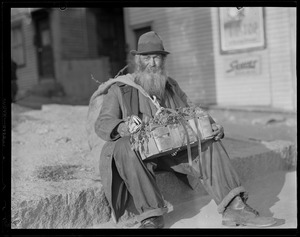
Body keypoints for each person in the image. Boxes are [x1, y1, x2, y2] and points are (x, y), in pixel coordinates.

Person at [94, 31, 276, 228]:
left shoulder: (171, 85)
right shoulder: (120, 89)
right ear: (138, 60)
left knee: (210, 142)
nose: (152, 63)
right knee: (123, 147)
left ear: (163, 60)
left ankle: (235, 208)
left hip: (173, 151)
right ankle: (151, 216)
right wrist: (122, 127)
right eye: (147, 57)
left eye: (157, 57)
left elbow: (194, 111)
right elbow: (103, 122)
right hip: (140, 156)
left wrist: (212, 125)